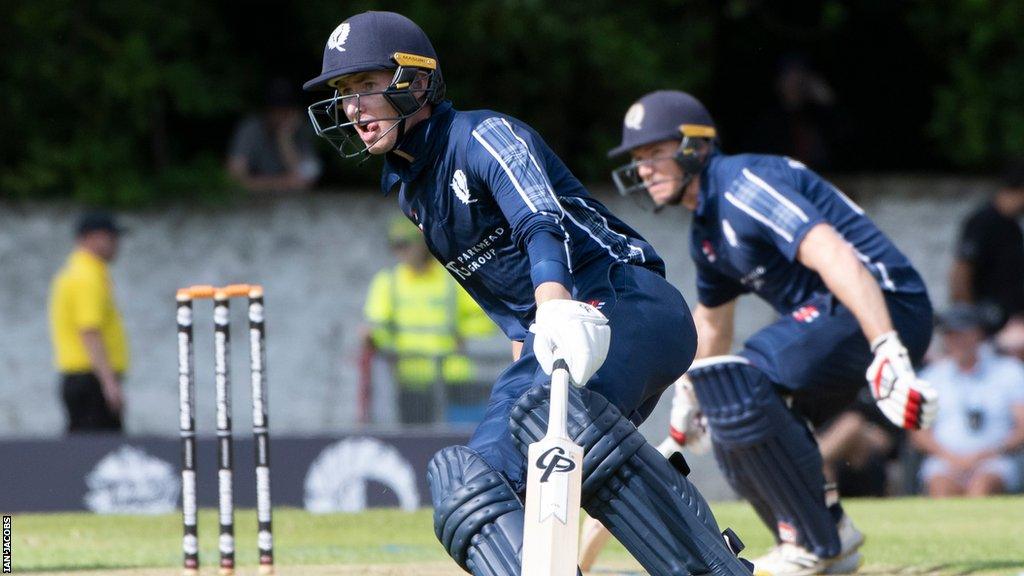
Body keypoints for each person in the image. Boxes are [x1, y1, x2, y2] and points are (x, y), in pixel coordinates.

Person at [304, 12, 752, 576]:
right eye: (345, 94)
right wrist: (534, 342)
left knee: (547, 418)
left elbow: (540, 222)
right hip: (551, 334)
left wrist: (554, 307)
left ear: (416, 81)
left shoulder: (483, 136)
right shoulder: (414, 198)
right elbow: (511, 314)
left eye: (366, 86)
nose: (352, 108)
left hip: (623, 304)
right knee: (465, 485)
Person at [605, 90, 939, 575]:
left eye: (654, 152)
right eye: (638, 159)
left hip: (883, 303)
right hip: (839, 316)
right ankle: (827, 532)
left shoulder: (744, 184)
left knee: (743, 382)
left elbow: (835, 256)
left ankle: (812, 544)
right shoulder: (708, 230)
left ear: (695, 147)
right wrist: (688, 403)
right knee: (727, 399)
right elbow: (714, 324)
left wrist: (886, 346)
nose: (644, 169)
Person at [362, 216, 497, 424]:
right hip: (411, 379)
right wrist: (373, 338)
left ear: (422, 243)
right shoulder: (388, 282)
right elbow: (378, 327)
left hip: (453, 376)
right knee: (415, 445)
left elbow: (485, 316)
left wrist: (463, 334)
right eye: (396, 246)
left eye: (406, 244)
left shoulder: (452, 277)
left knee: (459, 440)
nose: (401, 251)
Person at [912, 304, 1024, 497]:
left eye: (962, 334)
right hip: (944, 459)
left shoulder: (1009, 371)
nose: (956, 341)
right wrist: (951, 458)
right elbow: (918, 434)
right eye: (950, 334)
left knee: (983, 485)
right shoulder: (930, 377)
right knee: (940, 486)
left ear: (978, 334)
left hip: (996, 457)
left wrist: (987, 454)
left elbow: (1021, 426)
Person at [48, 212, 129, 433]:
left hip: (84, 378)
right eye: (110, 237)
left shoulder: (78, 272)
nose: (116, 244)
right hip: (90, 379)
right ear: (91, 238)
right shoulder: (87, 276)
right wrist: (109, 383)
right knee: (97, 453)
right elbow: (89, 331)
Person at [949, 161, 1024, 333]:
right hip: (987, 324)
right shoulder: (983, 222)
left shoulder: (1013, 227)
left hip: (1010, 323)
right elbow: (961, 273)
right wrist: (968, 323)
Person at [227, 77, 322, 192]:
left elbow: (305, 180)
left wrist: (284, 139)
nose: (281, 115)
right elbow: (234, 180)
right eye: (276, 110)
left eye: (286, 110)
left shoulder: (302, 129)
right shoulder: (250, 128)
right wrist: (281, 182)